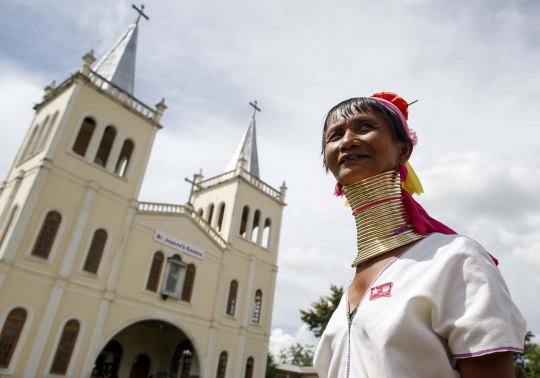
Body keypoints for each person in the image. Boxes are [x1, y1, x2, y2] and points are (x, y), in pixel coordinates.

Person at [313, 92, 526, 377]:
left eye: (365, 127)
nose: (348, 140)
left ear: (403, 150)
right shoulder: (346, 298)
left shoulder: (456, 259)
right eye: (334, 135)